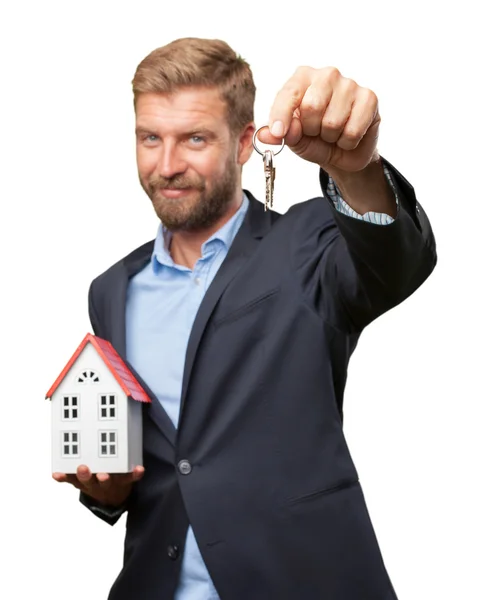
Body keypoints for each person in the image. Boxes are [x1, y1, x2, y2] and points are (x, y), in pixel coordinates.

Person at [53, 37, 437, 599]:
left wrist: (357, 170)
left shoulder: (308, 243)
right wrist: (105, 493)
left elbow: (394, 266)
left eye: (195, 139)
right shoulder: (112, 290)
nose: (167, 166)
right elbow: (160, 463)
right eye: (150, 138)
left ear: (242, 145)